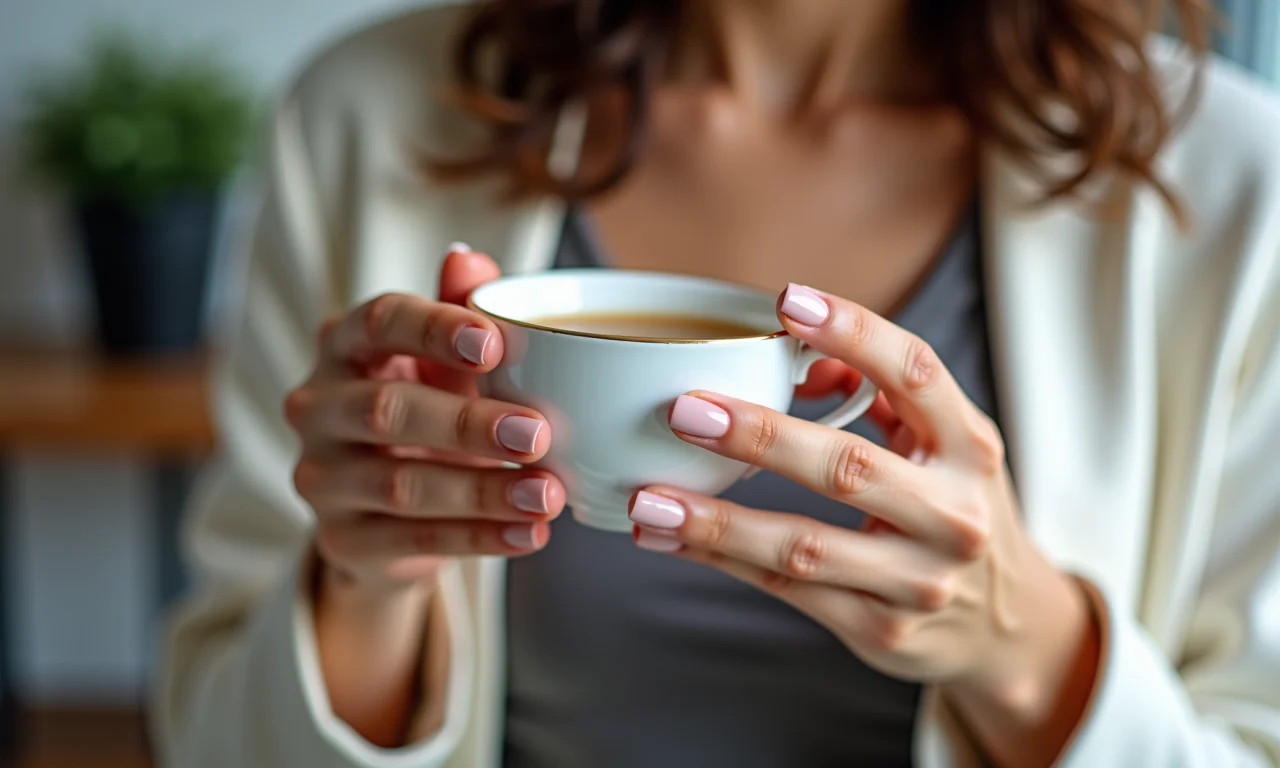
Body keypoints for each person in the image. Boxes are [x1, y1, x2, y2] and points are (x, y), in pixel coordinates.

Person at [152, 1, 1280, 766]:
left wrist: (1028, 651)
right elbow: (210, 742)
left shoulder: (1229, 183)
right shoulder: (367, 118)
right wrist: (363, 580)